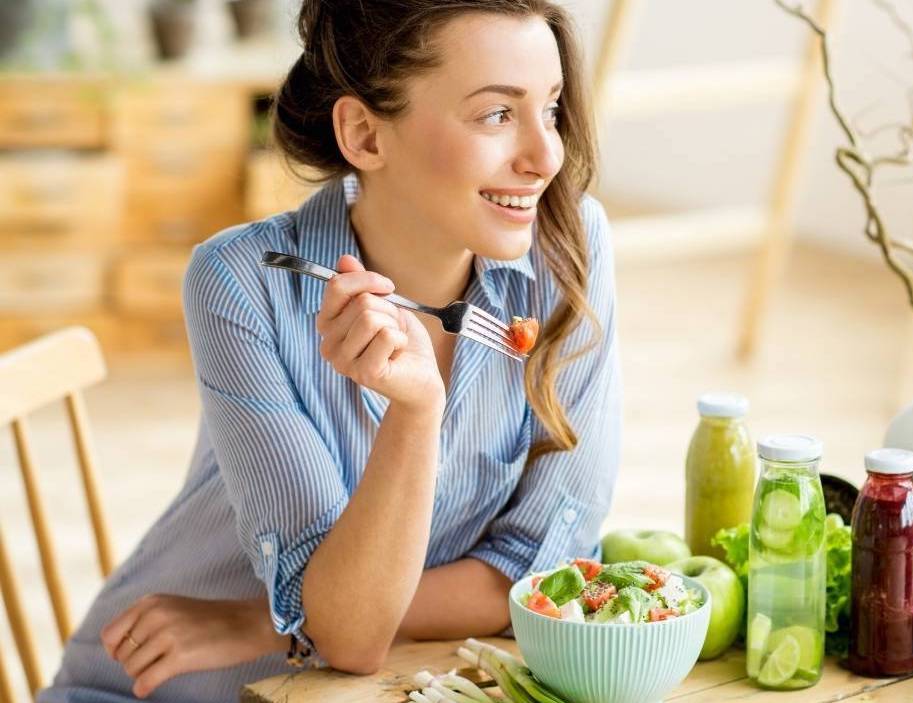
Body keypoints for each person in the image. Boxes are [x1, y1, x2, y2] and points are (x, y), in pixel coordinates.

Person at [38, 1, 619, 699]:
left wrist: (272, 623)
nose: (545, 156)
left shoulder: (569, 249)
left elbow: (542, 568)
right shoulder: (242, 282)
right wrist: (415, 413)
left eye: (550, 108)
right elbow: (350, 635)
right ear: (365, 134)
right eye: (497, 114)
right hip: (161, 687)